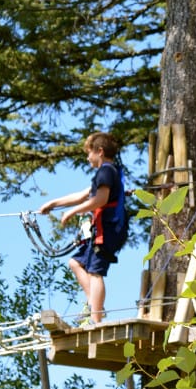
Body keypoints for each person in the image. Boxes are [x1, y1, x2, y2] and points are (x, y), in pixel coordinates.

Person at [39, 131, 124, 326]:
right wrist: (53, 204)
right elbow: (82, 195)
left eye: (89, 153)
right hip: (101, 231)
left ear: (100, 152)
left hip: (106, 231)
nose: (87, 158)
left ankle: (96, 319)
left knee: (95, 273)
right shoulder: (108, 172)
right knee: (76, 263)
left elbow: (100, 199)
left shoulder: (106, 171)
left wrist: (71, 213)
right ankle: (94, 305)